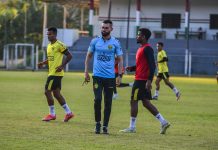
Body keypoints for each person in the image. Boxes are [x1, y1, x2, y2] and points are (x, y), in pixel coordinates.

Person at [119, 28, 170, 134]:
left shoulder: (148, 49)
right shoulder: (141, 48)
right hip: (141, 79)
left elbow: (152, 66)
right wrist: (132, 68)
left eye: (139, 35)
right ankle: (163, 122)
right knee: (146, 103)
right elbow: (142, 65)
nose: (137, 36)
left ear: (144, 37)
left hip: (141, 80)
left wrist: (149, 81)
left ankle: (132, 127)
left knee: (133, 101)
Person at [84, 20, 123, 134]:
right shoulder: (95, 41)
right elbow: (88, 56)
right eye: (102, 27)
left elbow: (120, 60)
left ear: (111, 29)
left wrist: (119, 75)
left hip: (110, 78)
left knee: (108, 102)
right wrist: (86, 72)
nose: (103, 29)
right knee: (97, 99)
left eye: (106, 28)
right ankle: (97, 124)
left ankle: (105, 126)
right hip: (97, 77)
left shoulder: (115, 43)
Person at [38, 27, 74, 122]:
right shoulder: (49, 46)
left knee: (47, 92)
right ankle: (69, 113)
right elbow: (51, 59)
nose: (48, 36)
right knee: (57, 94)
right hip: (53, 73)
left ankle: (52, 114)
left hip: (55, 73)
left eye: (50, 34)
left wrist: (62, 66)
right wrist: (43, 63)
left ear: (55, 34)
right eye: (48, 34)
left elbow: (69, 55)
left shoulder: (60, 45)